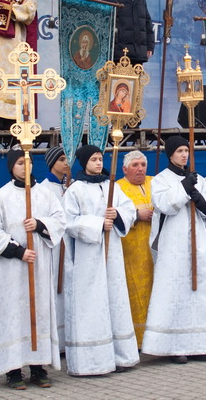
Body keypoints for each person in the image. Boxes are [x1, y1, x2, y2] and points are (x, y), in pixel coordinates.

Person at [0, 148, 65, 389]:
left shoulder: (45, 195)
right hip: (13, 269)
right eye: (19, 163)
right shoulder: (1, 196)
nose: (24, 167)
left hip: (38, 266)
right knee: (14, 314)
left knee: (38, 312)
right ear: (11, 167)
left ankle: (38, 368)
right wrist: (18, 251)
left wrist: (39, 224)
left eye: (27, 162)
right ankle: (13, 370)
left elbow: (60, 221)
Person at [142, 136, 206, 363]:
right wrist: (184, 188)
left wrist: (198, 197)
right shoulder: (160, 180)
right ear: (170, 154)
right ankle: (175, 345)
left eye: (186, 150)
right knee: (174, 289)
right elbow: (164, 205)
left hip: (197, 238)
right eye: (179, 150)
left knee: (199, 289)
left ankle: (200, 343)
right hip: (173, 241)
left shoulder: (199, 178)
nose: (184, 154)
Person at [62, 145, 139, 375]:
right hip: (89, 257)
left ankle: (120, 356)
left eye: (100, 158)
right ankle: (92, 360)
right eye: (94, 159)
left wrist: (117, 215)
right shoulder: (75, 190)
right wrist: (97, 224)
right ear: (84, 162)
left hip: (111, 252)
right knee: (92, 304)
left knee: (114, 300)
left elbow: (129, 210)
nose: (98, 163)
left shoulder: (111, 185)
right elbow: (67, 222)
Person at [115, 150, 155, 349]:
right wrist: (137, 215)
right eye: (135, 165)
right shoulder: (117, 188)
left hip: (156, 249)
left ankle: (156, 338)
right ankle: (137, 340)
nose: (140, 169)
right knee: (135, 293)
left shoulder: (154, 182)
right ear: (124, 169)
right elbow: (115, 214)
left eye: (143, 165)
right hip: (131, 250)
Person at [36, 146, 71, 351]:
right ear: (52, 164)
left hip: (70, 246)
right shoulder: (43, 189)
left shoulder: (73, 186)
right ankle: (54, 341)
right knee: (53, 289)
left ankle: (68, 338)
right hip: (54, 246)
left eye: (67, 159)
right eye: (61, 160)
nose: (66, 163)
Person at [102, 0, 154, 65]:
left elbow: (147, 23)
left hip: (138, 54)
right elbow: (104, 24)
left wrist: (150, 47)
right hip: (118, 54)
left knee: (137, 81)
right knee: (119, 81)